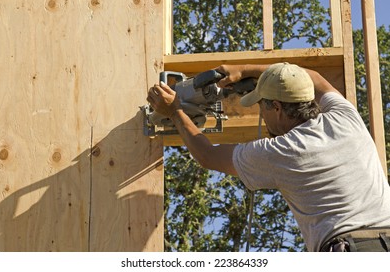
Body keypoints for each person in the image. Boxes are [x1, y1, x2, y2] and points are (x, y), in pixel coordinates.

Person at [147, 62, 390, 252]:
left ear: (277, 107)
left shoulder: (285, 151)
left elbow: (208, 155)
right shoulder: (345, 117)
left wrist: (175, 110)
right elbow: (313, 78)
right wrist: (244, 70)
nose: (260, 113)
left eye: (261, 105)